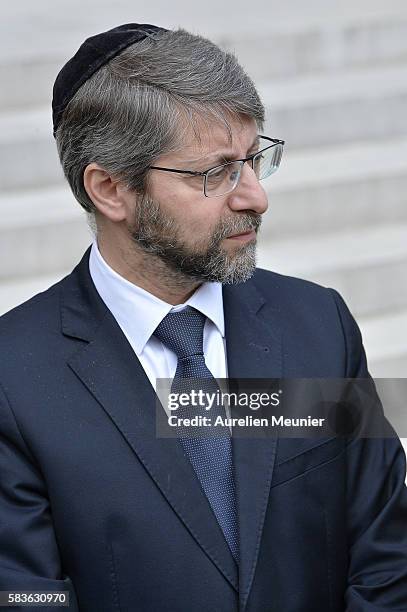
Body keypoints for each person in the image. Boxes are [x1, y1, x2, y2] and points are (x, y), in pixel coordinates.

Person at [0, 23, 406, 612]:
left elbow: (387, 558)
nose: (254, 197)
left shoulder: (319, 325)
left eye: (253, 159)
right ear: (110, 188)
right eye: (215, 173)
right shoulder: (14, 380)